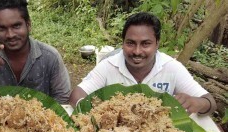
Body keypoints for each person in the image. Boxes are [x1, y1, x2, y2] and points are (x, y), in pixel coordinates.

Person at [69, 12, 217, 115]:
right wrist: (94, 112)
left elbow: (210, 102)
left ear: (157, 43)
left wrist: (197, 103)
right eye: (130, 43)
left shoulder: (172, 68)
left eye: (146, 44)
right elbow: (77, 94)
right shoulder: (109, 66)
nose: (137, 51)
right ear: (123, 43)